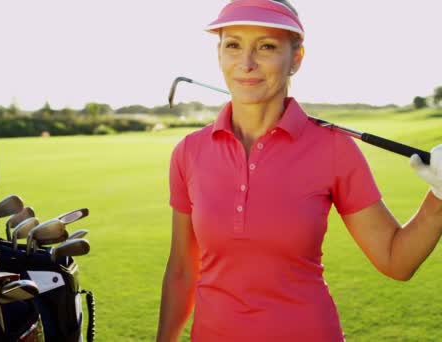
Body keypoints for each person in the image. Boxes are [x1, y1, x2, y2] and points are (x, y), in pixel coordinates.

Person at [156, 0, 442, 341]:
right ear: (219, 54)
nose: (246, 64)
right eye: (233, 45)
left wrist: (438, 198)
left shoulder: (334, 149)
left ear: (296, 58)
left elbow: (396, 261)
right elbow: (181, 270)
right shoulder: (189, 152)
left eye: (266, 47)